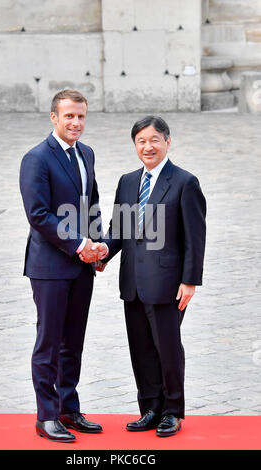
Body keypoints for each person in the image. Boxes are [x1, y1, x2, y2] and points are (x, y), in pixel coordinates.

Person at [96, 116, 206, 437]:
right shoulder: (128, 182)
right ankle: (150, 408)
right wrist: (100, 254)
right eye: (141, 141)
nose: (148, 146)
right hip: (132, 282)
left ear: (167, 142)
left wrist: (190, 281)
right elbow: (118, 229)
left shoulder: (185, 182)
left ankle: (173, 411)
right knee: (141, 349)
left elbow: (195, 238)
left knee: (168, 349)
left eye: (154, 140)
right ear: (135, 145)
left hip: (168, 284)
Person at [19, 89, 108, 442]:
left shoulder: (86, 154)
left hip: (82, 265)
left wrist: (98, 248)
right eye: (69, 116)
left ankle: (68, 408)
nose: (76, 123)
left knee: (74, 342)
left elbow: (92, 203)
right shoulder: (37, 158)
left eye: (81, 116)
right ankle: (46, 415)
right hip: (50, 267)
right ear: (54, 118)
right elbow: (38, 214)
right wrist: (79, 245)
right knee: (49, 342)